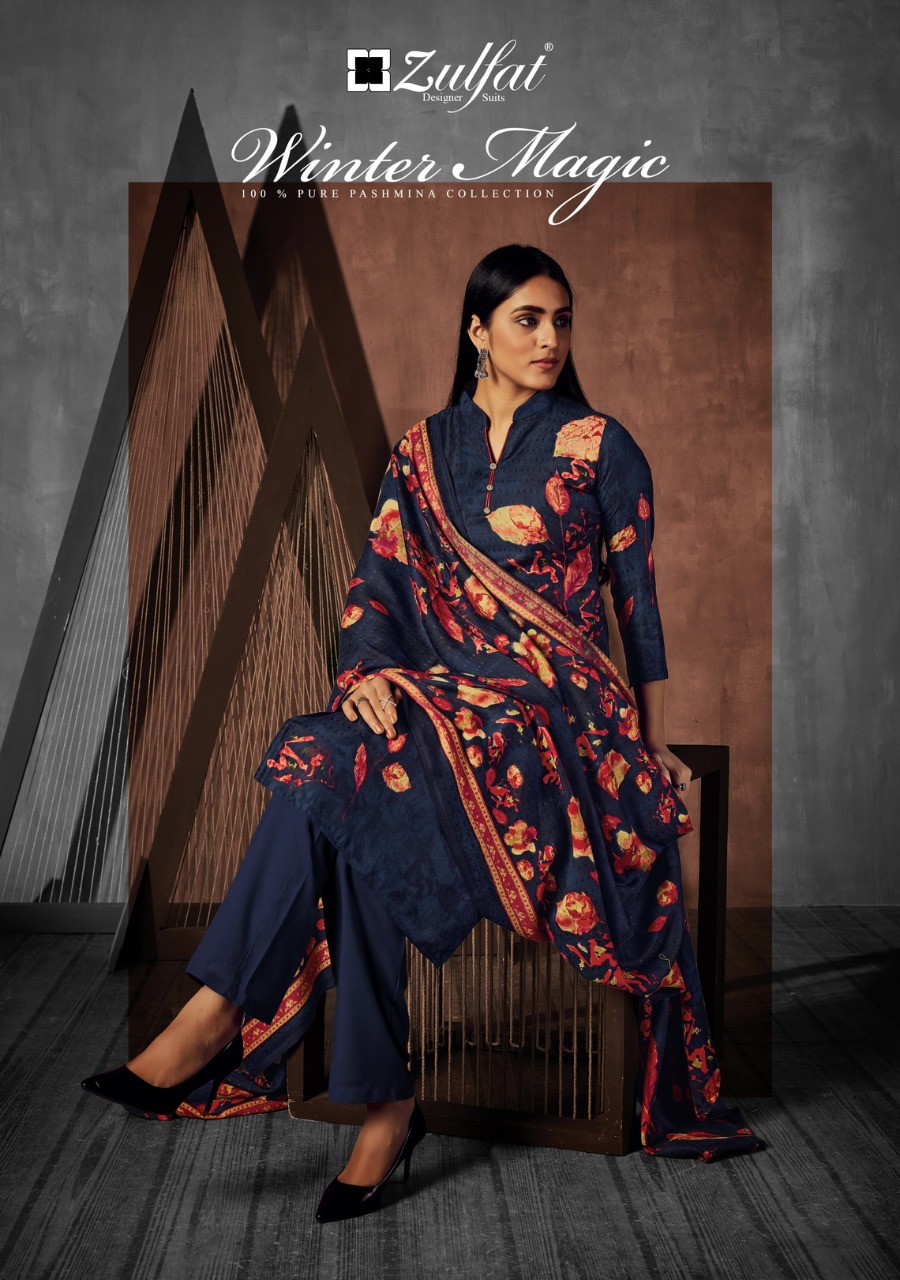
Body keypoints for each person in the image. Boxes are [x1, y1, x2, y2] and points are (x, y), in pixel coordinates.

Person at [82, 244, 763, 1222]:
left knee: (350, 778)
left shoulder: (597, 445)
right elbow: (380, 584)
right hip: (443, 695)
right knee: (343, 775)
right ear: (477, 331)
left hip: (555, 706)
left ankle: (223, 1015)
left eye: (563, 319)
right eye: (528, 318)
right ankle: (378, 1100)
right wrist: (365, 674)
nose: (551, 338)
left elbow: (636, 604)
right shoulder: (422, 450)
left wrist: (644, 738)